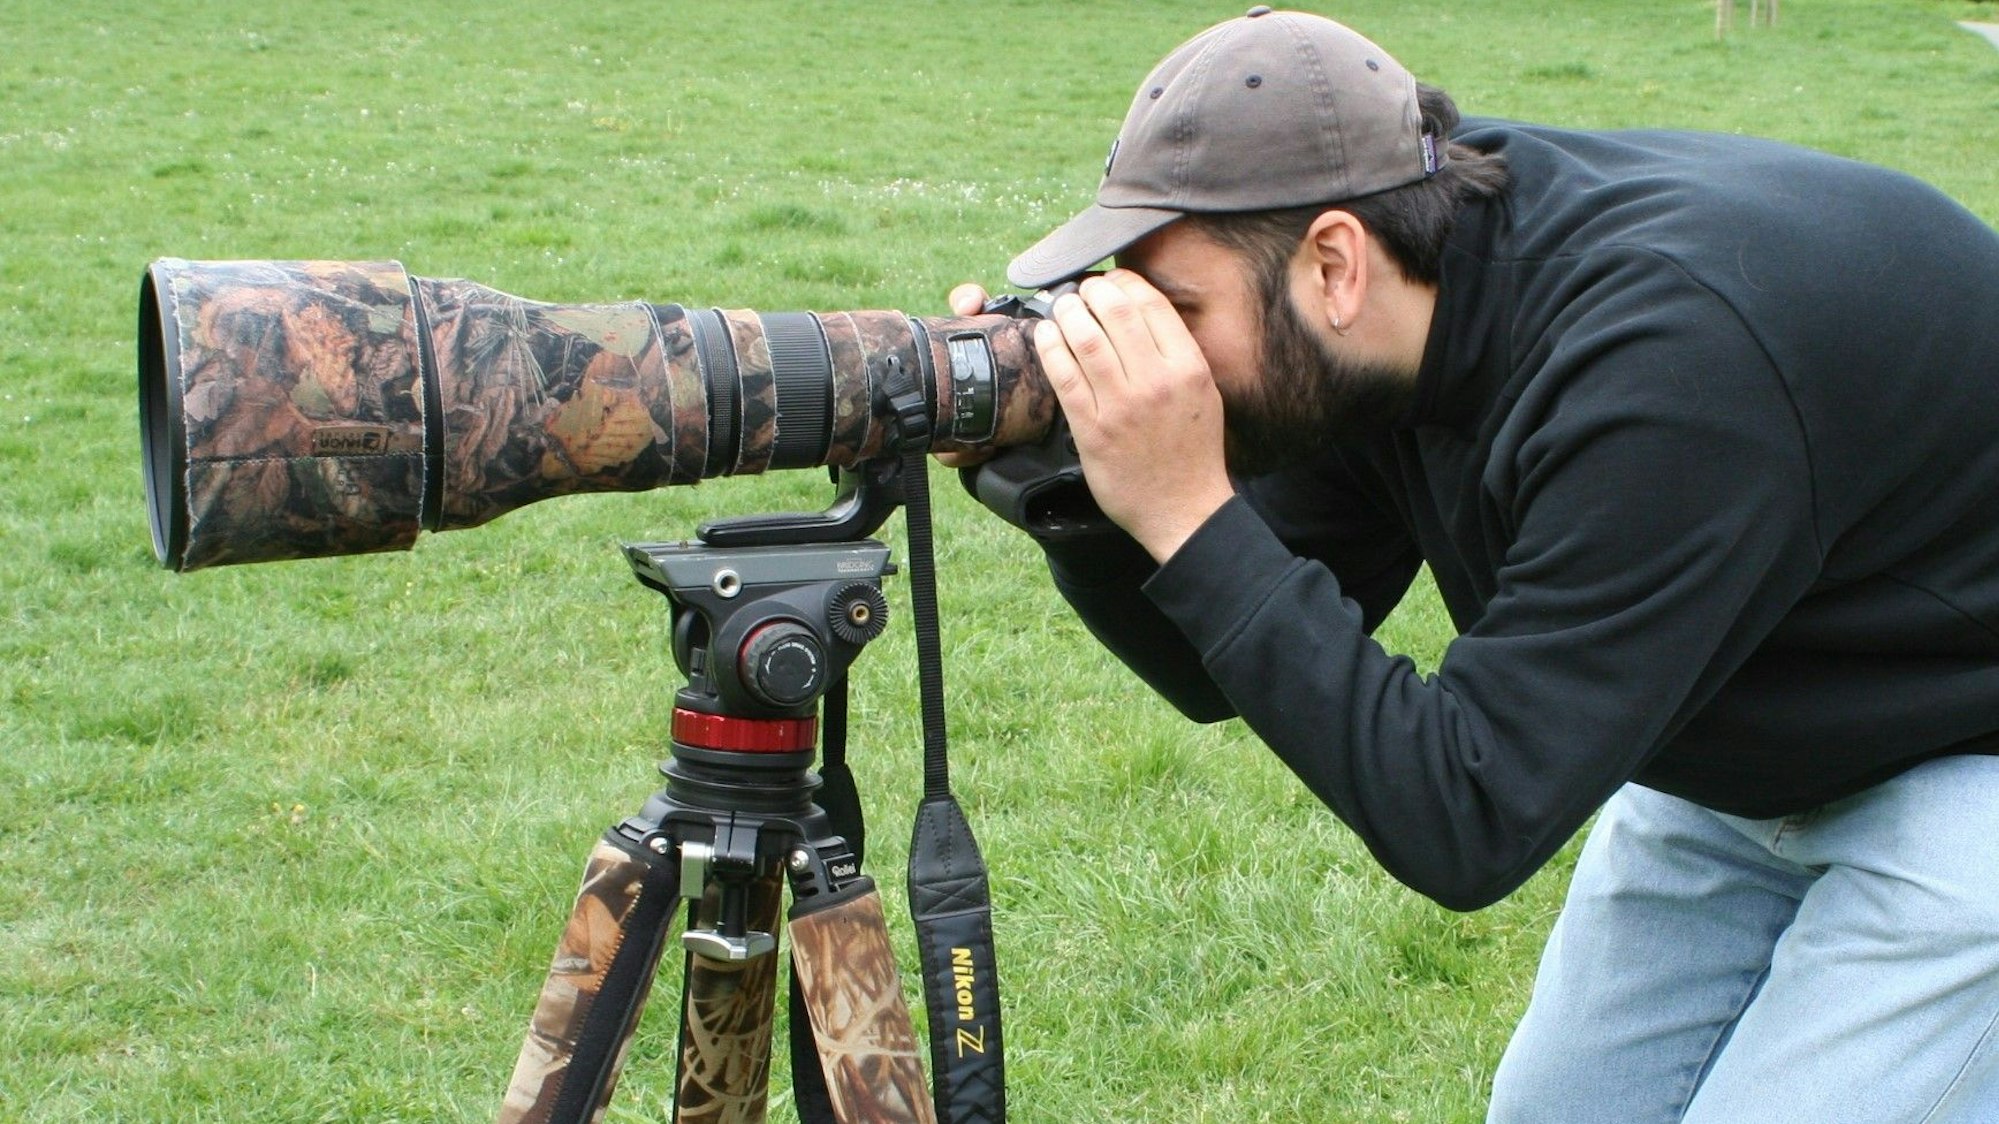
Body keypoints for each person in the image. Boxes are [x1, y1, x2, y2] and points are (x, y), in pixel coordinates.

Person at [947, 7, 1999, 1123]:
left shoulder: (1661, 373)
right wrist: (1071, 489)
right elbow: (1218, 666)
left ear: (1334, 263)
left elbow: (1468, 813)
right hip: (1737, 741)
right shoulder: (1382, 309)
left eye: (1182, 308)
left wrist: (1190, 510)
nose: (1159, 349)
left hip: (1963, 756)